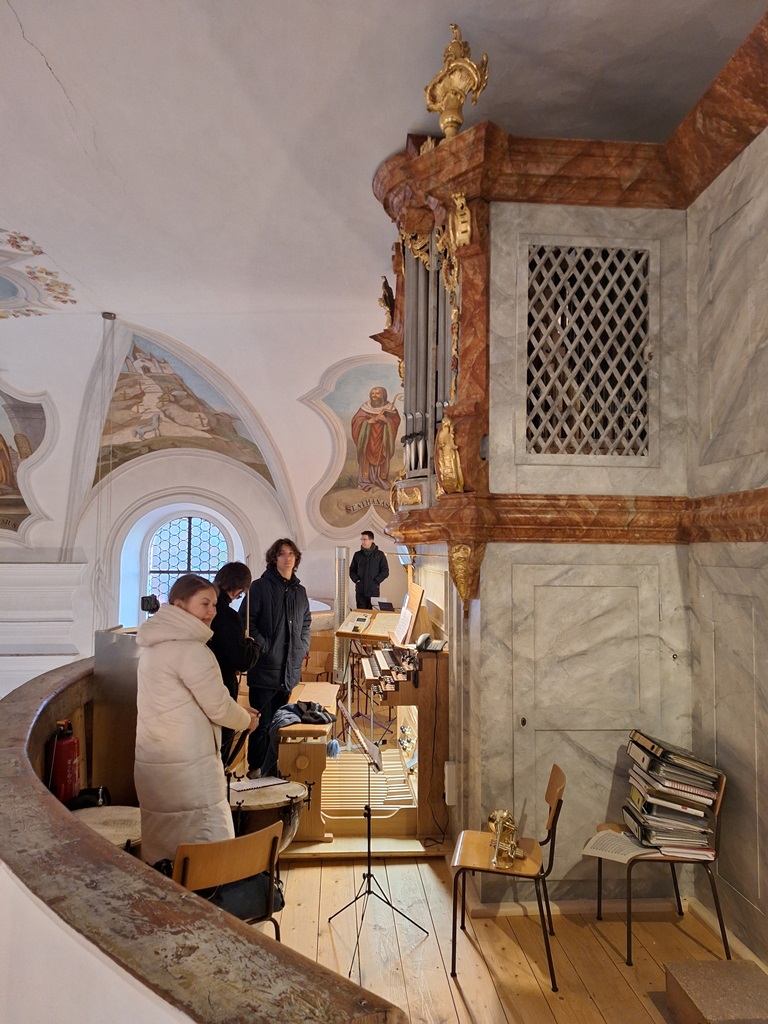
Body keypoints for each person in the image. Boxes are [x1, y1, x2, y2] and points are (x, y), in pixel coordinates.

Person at [134, 573, 260, 868]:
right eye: (204, 603)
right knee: (204, 851)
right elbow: (219, 707)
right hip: (188, 770)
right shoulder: (191, 650)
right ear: (180, 605)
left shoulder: (155, 645)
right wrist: (246, 720)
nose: (212, 611)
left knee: (165, 850)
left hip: (158, 763)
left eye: (214, 604)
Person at [240, 539, 311, 778]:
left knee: (281, 722)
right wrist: (266, 648)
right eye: (282, 554)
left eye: (291, 554)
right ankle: (255, 769)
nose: (287, 558)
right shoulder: (259, 587)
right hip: (264, 668)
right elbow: (247, 621)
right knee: (261, 723)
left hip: (288, 669)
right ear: (274, 558)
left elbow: (306, 622)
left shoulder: (300, 591)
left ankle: (274, 769)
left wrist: (301, 647)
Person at [208, 562, 260, 766]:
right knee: (219, 752)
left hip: (206, 684)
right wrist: (252, 645)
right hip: (221, 684)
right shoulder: (228, 616)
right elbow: (242, 660)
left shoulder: (205, 612)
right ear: (239, 590)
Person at [351, 386, 401, 491]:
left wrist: (386, 420)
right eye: (372, 394)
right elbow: (356, 421)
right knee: (366, 457)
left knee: (382, 456)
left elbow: (396, 421)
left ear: (383, 395)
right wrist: (368, 422)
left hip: (383, 438)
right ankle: (365, 482)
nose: (374, 396)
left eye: (377, 393)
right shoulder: (365, 407)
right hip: (368, 439)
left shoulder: (390, 408)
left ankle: (380, 480)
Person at [349, 530, 389, 609]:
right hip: (360, 590)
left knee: (373, 611)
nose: (362, 542)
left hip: (373, 590)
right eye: (362, 539)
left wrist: (376, 581)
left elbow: (385, 571)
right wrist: (356, 580)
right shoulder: (357, 555)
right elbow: (352, 570)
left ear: (371, 540)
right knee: (361, 612)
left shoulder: (379, 555)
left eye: (365, 539)